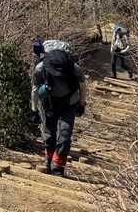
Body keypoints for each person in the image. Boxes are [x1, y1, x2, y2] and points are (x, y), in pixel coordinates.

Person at [31, 38, 86, 176]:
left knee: (59, 135)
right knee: (56, 135)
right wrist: (81, 104)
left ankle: (56, 165)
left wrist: (34, 110)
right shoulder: (42, 68)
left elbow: (35, 90)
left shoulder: (71, 68)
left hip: (67, 102)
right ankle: (51, 162)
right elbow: (83, 86)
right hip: (56, 102)